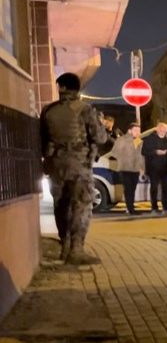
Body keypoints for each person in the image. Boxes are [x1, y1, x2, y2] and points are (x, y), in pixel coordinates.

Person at [40, 73, 108, 264]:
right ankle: (76, 250)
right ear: (77, 88)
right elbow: (100, 137)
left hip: (55, 164)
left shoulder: (48, 111)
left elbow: (42, 138)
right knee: (82, 204)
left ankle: (65, 246)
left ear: (61, 88)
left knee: (60, 204)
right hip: (79, 164)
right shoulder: (84, 109)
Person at [109, 122, 143, 215]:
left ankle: (130, 207)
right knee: (128, 189)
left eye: (139, 130)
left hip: (135, 169)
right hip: (125, 168)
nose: (138, 132)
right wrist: (124, 158)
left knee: (132, 189)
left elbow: (139, 155)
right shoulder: (121, 140)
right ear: (129, 130)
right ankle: (130, 209)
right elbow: (114, 153)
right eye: (135, 130)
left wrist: (141, 167)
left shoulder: (138, 140)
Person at [141, 121, 167, 215]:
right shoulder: (149, 138)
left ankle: (166, 208)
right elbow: (144, 152)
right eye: (161, 129)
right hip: (153, 168)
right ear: (157, 129)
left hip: (165, 168)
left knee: (165, 188)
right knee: (154, 188)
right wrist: (155, 152)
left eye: (164, 130)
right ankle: (154, 208)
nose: (163, 131)